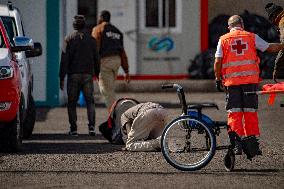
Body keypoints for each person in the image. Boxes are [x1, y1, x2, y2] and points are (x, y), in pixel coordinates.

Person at [214, 15, 284, 159]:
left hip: (232, 84)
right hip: (250, 83)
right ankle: (252, 145)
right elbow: (270, 48)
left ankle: (236, 145)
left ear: (229, 27)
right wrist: (283, 45)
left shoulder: (223, 39)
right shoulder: (251, 37)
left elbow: (217, 61)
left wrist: (217, 78)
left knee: (234, 113)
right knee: (250, 112)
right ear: (242, 25)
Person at [59, 15, 100, 136]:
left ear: (74, 26)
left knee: (72, 103)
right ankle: (91, 128)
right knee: (90, 102)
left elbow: (64, 60)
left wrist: (61, 77)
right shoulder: (91, 40)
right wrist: (97, 74)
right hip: (88, 75)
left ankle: (74, 129)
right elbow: (96, 58)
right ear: (84, 25)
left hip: (73, 75)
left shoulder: (68, 39)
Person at [92, 10, 130, 111]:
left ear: (101, 18)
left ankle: (116, 116)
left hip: (105, 62)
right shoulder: (117, 31)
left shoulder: (98, 29)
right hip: (116, 61)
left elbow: (94, 47)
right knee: (110, 89)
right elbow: (122, 51)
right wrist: (126, 71)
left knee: (106, 92)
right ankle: (115, 114)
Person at [99, 100, 169, 152]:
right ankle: (162, 143)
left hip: (148, 113)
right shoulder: (135, 108)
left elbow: (129, 136)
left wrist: (128, 143)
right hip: (162, 112)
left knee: (130, 145)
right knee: (158, 138)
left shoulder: (124, 116)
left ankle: (157, 144)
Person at [265, 3, 284, 81]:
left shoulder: (282, 22)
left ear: (274, 15)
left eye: (271, 19)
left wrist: (276, 68)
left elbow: (283, 46)